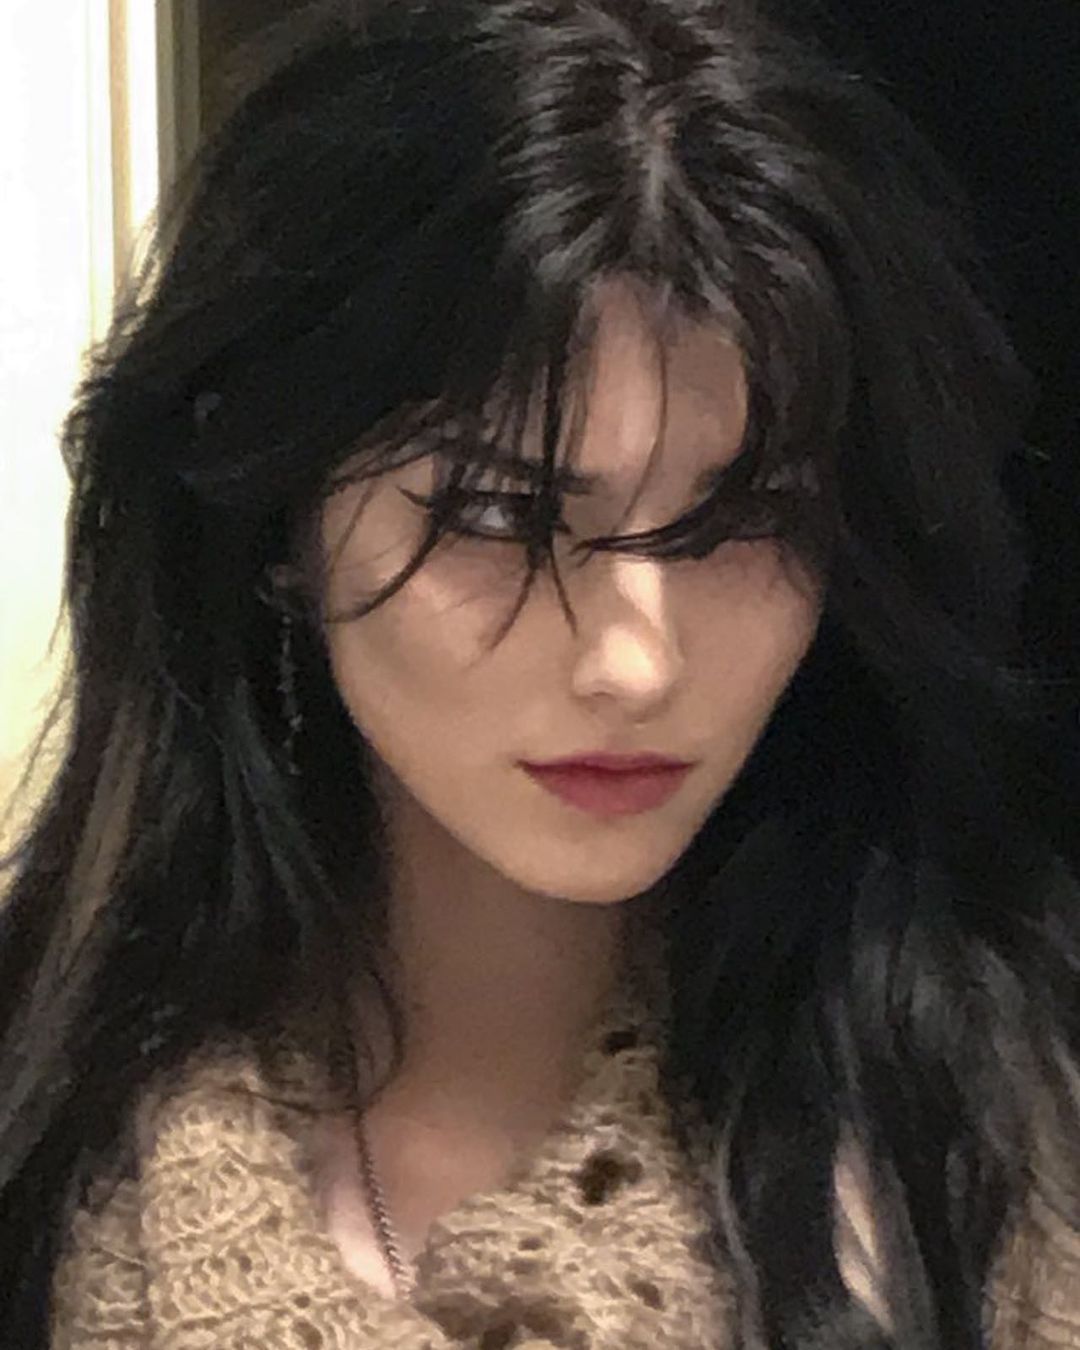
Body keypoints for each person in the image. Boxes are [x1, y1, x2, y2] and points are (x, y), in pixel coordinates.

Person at [1, 0, 1078, 1346]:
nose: (637, 659)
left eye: (742, 519)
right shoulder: (56, 1146)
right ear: (276, 525)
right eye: (500, 514)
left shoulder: (987, 1145)